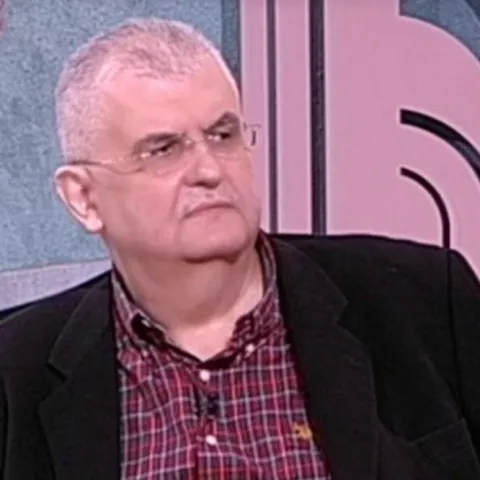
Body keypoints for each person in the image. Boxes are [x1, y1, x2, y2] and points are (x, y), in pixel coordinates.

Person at [0, 18, 479, 480]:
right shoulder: (15, 371)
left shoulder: (423, 304)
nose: (209, 170)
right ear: (84, 198)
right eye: (164, 149)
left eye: (222, 135)